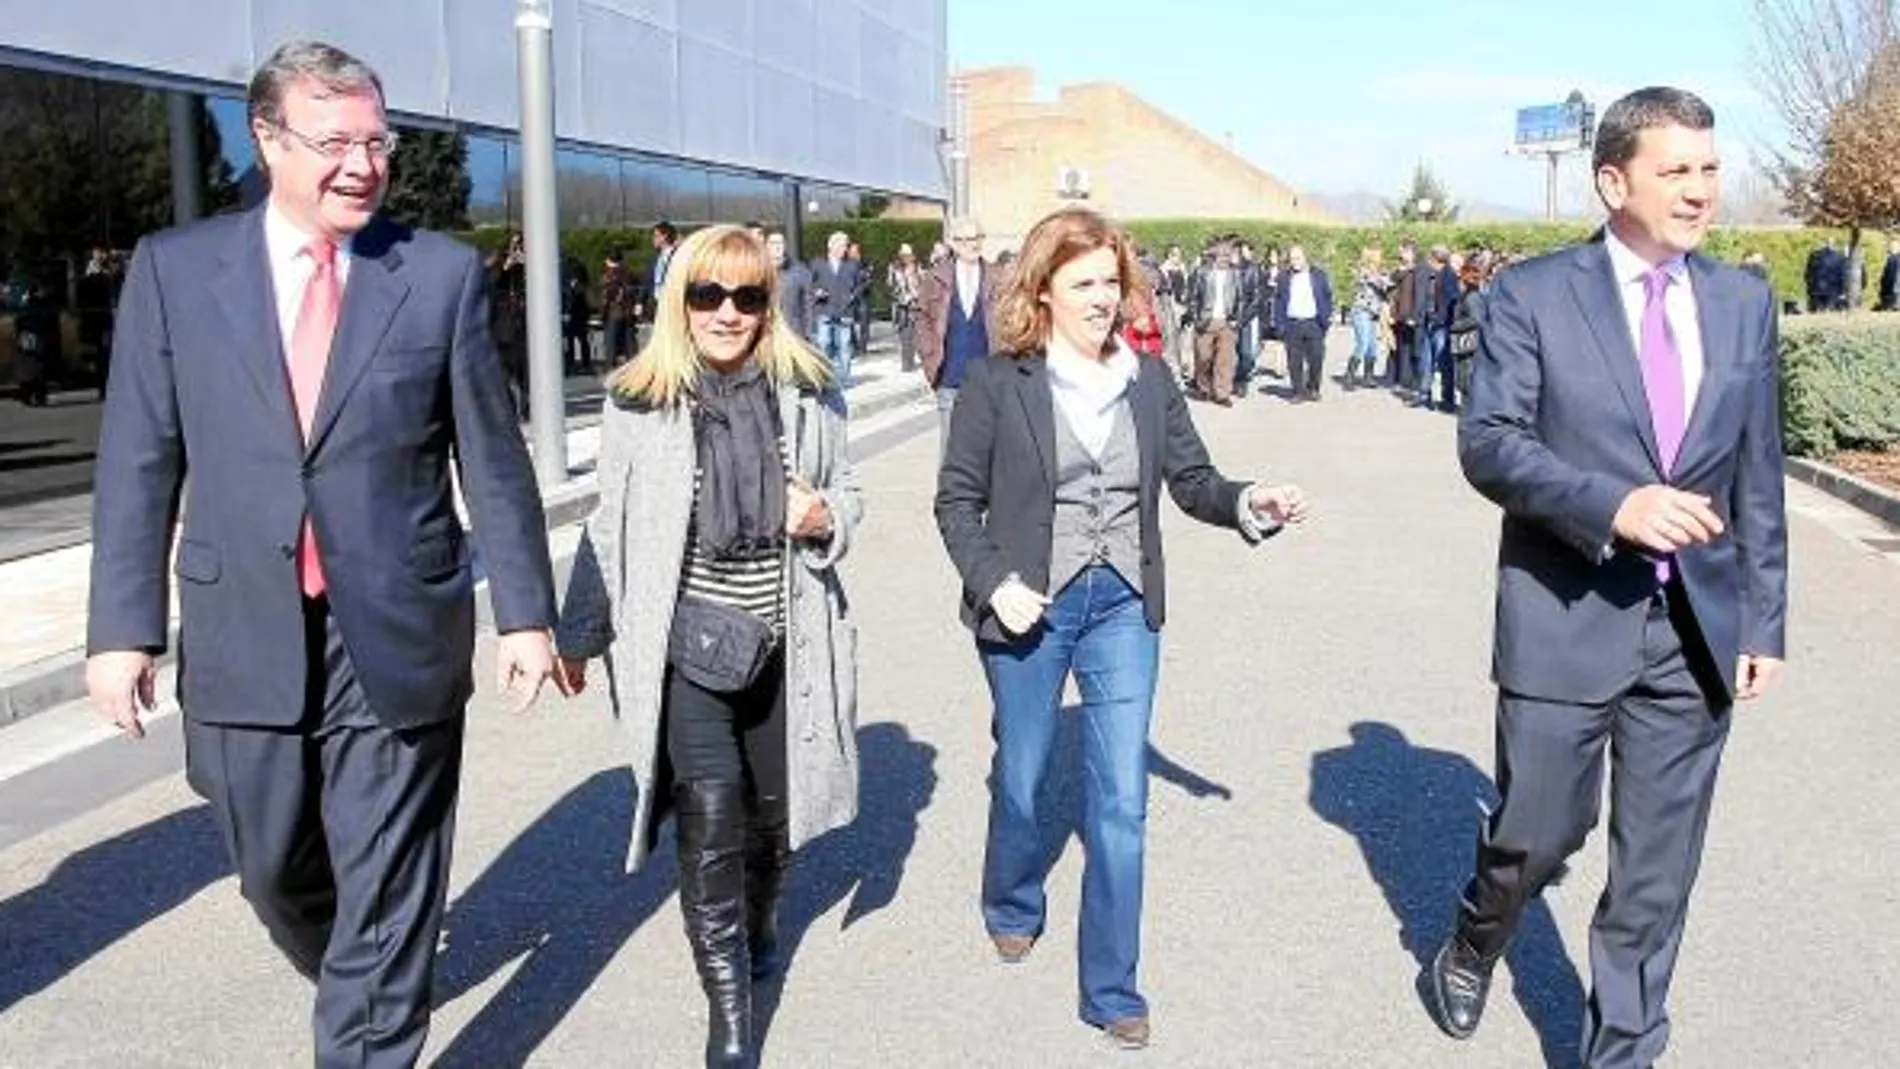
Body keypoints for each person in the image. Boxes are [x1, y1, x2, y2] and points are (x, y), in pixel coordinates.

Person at [84, 41, 560, 1068]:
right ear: (266, 139)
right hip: (241, 625)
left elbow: (492, 455)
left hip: (392, 629)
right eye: (333, 141)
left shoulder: (434, 276)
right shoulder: (177, 272)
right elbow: (136, 459)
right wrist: (120, 631)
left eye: (375, 141)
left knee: (388, 884)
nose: (361, 164)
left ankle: (373, 1005)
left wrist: (524, 611)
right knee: (269, 869)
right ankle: (366, 962)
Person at [1431, 87, 1788, 1069]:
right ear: (1611, 180)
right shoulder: (1532, 294)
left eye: (1709, 169)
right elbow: (1488, 444)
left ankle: (1620, 1049)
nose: (1699, 190)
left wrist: (1763, 620)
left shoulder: (1743, 300)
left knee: (1655, 878)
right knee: (1538, 833)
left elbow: (1759, 468)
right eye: (1675, 170)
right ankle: (1475, 929)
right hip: (1564, 613)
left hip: (1696, 631)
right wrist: (1609, 505)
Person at [934, 207, 1308, 1051]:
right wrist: (995, 583)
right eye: (1085, 283)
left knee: (1120, 800)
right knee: (1024, 774)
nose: (1104, 298)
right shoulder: (999, 383)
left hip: (1122, 607)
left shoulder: (1147, 379)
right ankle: (1012, 897)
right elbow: (956, 501)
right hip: (1029, 606)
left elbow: (1193, 479)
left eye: (1112, 281)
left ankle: (1111, 985)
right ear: (1043, 290)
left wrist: (1249, 501)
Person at [555, 225, 861, 1069]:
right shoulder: (638, 400)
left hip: (785, 645)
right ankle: (729, 1018)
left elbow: (851, 493)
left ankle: (762, 917)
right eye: (707, 295)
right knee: (711, 821)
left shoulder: (811, 391)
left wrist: (825, 517)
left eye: (748, 295)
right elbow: (608, 527)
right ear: (679, 302)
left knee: (772, 827)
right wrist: (576, 637)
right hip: (683, 650)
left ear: (770, 303)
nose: (728, 313)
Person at [915, 217, 1003, 447]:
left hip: (988, 374)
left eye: (975, 238)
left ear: (982, 240)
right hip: (950, 374)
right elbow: (922, 317)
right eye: (963, 240)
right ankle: (950, 485)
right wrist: (928, 355)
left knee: (987, 445)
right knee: (951, 445)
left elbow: (1010, 319)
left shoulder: (998, 277)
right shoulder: (935, 277)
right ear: (952, 243)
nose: (970, 245)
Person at [1270, 244, 1335, 402]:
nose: (1295, 262)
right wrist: (1279, 324)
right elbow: (1278, 301)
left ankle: (1313, 387)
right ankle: (1298, 391)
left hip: (1314, 322)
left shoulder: (1318, 275)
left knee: (1316, 358)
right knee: (1294, 360)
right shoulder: (1284, 277)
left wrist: (1326, 318)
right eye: (1292, 259)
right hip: (1292, 323)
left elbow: (1327, 296)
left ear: (1306, 258)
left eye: (1298, 258)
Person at [808, 231, 862, 389]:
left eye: (845, 246)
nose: (843, 249)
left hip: (844, 311)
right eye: (840, 245)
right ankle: (825, 377)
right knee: (824, 344)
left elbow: (860, 285)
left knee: (844, 346)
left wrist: (853, 296)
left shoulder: (852, 265)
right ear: (830, 246)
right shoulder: (817, 263)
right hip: (824, 310)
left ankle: (844, 379)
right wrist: (816, 291)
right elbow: (808, 284)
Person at [1347, 246, 1391, 389]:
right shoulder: (1363, 272)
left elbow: (1387, 286)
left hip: (1374, 313)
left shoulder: (1381, 273)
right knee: (1363, 343)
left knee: (1372, 346)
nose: (1379, 261)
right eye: (1376, 258)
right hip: (1361, 311)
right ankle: (1350, 376)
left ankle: (1368, 376)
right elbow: (1378, 282)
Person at [766, 229, 812, 338]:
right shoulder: (758, 270)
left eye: (780, 243)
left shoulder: (800, 271)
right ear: (766, 246)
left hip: (793, 330)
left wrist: (808, 333)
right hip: (766, 331)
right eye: (773, 243)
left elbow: (808, 303)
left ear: (785, 245)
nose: (777, 247)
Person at [887, 242, 924, 371]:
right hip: (901, 307)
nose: (908, 258)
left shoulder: (918, 267)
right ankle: (906, 363)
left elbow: (923, 284)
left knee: (916, 335)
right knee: (904, 334)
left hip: (916, 305)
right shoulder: (894, 269)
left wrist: (917, 295)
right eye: (905, 255)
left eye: (910, 255)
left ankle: (911, 359)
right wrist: (903, 296)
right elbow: (891, 287)